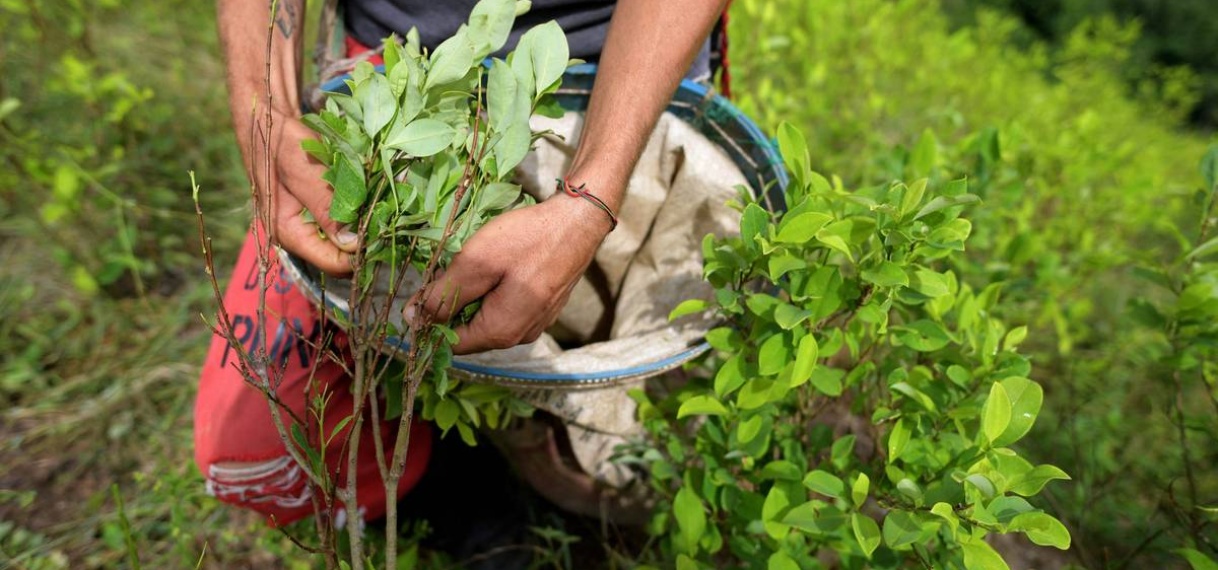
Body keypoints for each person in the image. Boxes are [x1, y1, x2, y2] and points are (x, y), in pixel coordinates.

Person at [194, 0, 727, 542]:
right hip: (400, 70)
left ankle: (558, 480)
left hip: (624, 70)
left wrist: (591, 202)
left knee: (655, 426)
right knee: (251, 454)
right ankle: (472, 511)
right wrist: (264, 111)